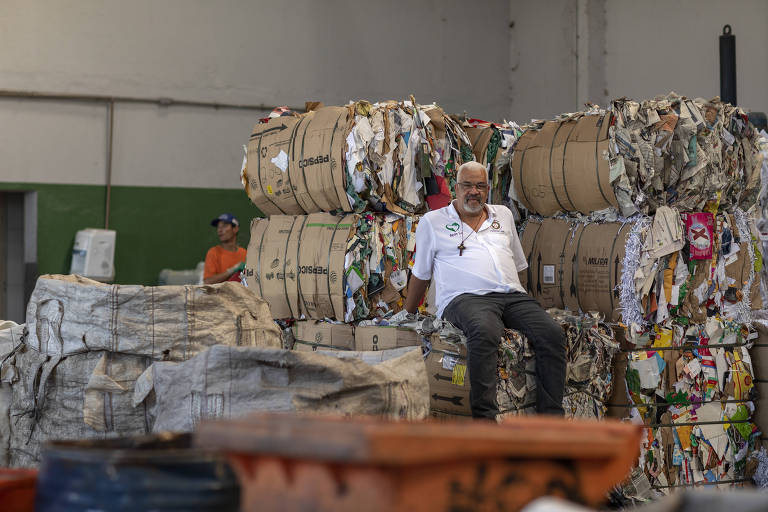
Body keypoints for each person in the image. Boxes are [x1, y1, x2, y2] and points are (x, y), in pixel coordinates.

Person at [402, 161, 566, 420]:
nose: (473, 191)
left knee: (552, 333)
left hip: (510, 295)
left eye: (480, 186)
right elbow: (420, 274)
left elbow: (519, 265)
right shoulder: (433, 222)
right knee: (485, 330)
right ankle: (485, 421)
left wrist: (527, 301)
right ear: (456, 188)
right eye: (467, 185)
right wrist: (407, 314)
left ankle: (551, 423)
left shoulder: (504, 215)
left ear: (488, 189)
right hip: (464, 298)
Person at [203, 213, 247, 284]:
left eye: (224, 226)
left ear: (235, 229)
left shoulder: (244, 253)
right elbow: (208, 281)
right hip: (219, 294)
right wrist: (232, 270)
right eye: (218, 227)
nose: (220, 230)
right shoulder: (213, 252)